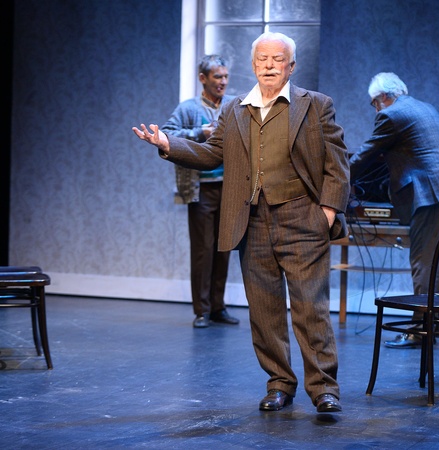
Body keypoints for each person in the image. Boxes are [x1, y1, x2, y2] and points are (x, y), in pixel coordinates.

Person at [133, 32, 349, 414]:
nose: (269, 65)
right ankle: (279, 383)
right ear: (253, 65)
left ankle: (323, 388)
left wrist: (326, 213)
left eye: (277, 59)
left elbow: (337, 163)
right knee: (264, 311)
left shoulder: (315, 105)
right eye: (262, 59)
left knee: (310, 307)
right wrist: (169, 145)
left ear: (291, 66)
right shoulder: (235, 108)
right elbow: (211, 153)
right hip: (253, 221)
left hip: (303, 219)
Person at [349, 72, 439, 349]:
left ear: (383, 97)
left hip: (430, 194)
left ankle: (419, 331)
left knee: (423, 264)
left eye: (374, 103)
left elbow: (366, 154)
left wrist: (338, 177)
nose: (375, 109)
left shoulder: (391, 115)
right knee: (438, 266)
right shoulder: (425, 108)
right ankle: (431, 328)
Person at [161, 55, 239, 329]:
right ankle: (202, 310)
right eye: (218, 76)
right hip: (201, 189)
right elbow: (167, 134)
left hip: (229, 186)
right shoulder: (189, 107)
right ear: (203, 78)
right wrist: (199, 133)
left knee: (223, 248)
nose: (223, 82)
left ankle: (218, 307)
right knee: (203, 250)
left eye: (226, 76)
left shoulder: (234, 105)